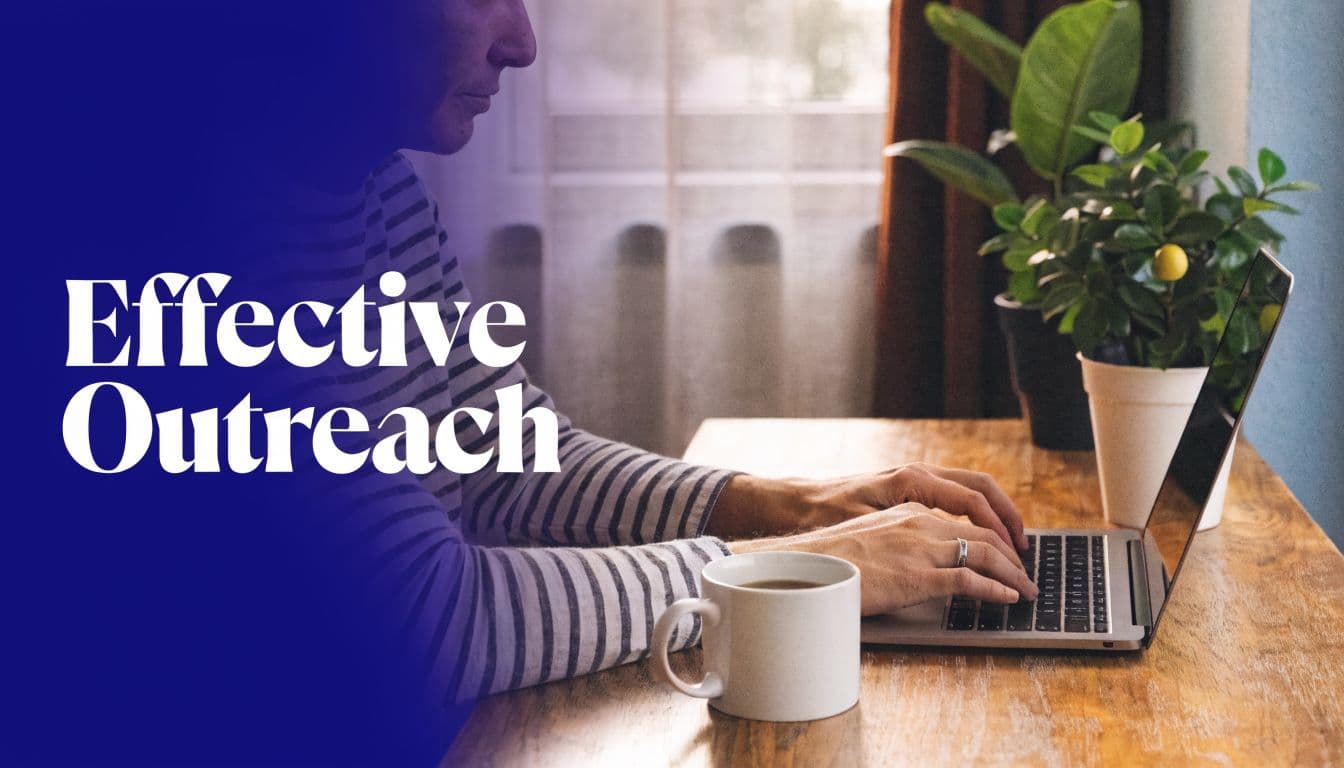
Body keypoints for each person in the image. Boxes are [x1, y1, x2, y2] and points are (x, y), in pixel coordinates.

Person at [282, 0, 1039, 709]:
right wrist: (812, 566)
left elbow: (514, 466)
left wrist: (802, 506)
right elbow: (428, 621)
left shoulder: (384, 190)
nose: (521, 44)